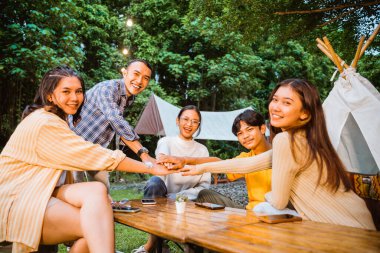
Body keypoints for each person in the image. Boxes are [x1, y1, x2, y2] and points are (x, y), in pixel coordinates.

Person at [0, 66, 173, 253]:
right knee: (96, 227)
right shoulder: (45, 122)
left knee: (96, 190)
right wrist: (148, 164)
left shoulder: (59, 120)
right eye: (66, 91)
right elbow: (101, 143)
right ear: (50, 95)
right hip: (18, 197)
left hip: (44, 187)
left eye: (79, 91)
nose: (74, 98)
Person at [170, 79, 376, 230]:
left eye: (287, 103)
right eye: (275, 100)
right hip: (359, 223)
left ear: (305, 113)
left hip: (346, 230)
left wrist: (261, 203)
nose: (276, 107)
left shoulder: (286, 140)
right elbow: (248, 165)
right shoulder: (305, 140)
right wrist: (200, 167)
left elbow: (277, 201)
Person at [133, 105, 211, 253]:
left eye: (194, 121)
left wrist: (179, 197)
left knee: (205, 197)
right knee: (154, 183)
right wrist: (166, 161)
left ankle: (161, 244)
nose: (189, 124)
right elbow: (162, 158)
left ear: (198, 125)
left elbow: (204, 186)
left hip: (188, 201)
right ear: (177, 121)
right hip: (161, 198)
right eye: (186, 119)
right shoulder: (166, 142)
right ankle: (157, 244)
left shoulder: (202, 150)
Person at [159, 109, 272, 209]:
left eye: (250, 129)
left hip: (277, 214)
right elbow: (220, 163)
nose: (245, 136)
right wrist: (185, 160)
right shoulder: (245, 157)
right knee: (204, 194)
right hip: (251, 212)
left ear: (262, 128)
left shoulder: (280, 153)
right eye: (240, 133)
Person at [69, 59, 155, 190]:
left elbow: (117, 128)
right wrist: (144, 154)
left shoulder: (129, 98)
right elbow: (116, 120)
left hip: (95, 149)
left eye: (145, 78)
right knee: (75, 188)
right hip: (74, 146)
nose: (139, 81)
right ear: (125, 73)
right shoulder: (107, 89)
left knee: (103, 191)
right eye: (136, 74)